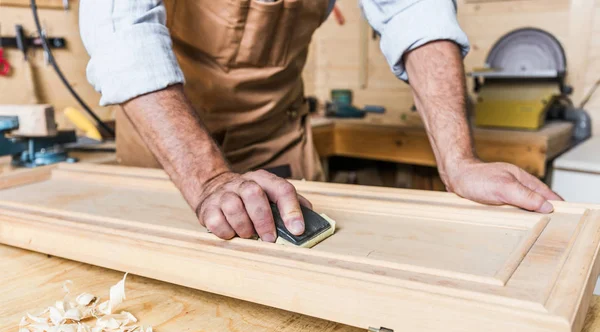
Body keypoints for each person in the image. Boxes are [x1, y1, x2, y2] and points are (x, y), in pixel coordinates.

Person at [80, 0, 561, 243]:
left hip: (278, 132)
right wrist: (208, 179)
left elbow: (414, 9)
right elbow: (124, 34)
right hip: (169, 149)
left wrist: (458, 161)